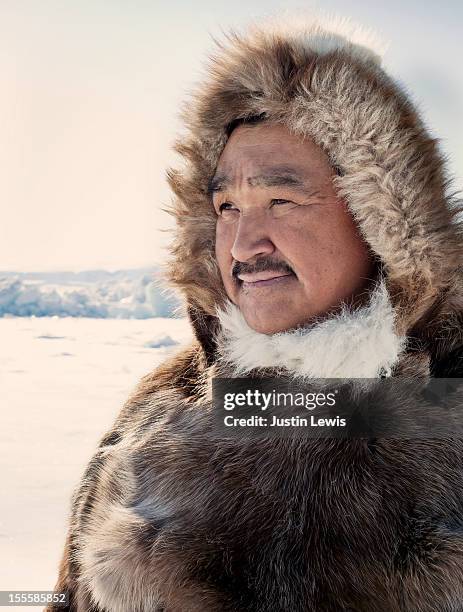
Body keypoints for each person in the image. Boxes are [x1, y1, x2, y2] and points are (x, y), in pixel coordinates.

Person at [50, 18, 463, 611]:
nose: (243, 245)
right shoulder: (159, 412)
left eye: (281, 200)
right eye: (226, 207)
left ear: (383, 221)